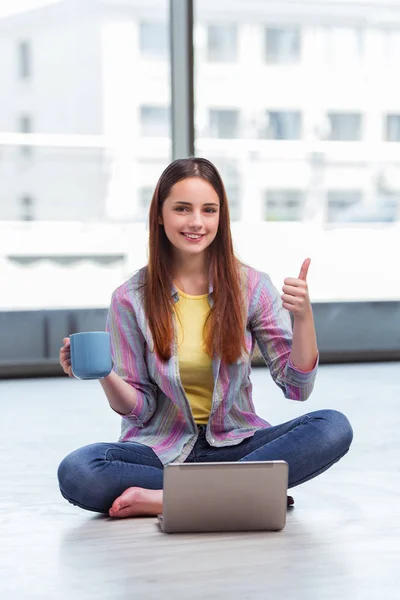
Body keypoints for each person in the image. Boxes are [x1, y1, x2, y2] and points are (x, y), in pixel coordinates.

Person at [58, 157, 353, 519]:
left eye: (208, 210)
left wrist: (304, 317)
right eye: (182, 209)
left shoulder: (252, 287)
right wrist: (104, 372)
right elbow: (140, 409)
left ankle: (172, 498)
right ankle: (241, 491)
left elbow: (297, 387)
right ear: (160, 215)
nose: (196, 222)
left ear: (220, 217)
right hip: (159, 451)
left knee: (333, 427)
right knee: (80, 471)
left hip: (237, 443)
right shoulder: (129, 296)